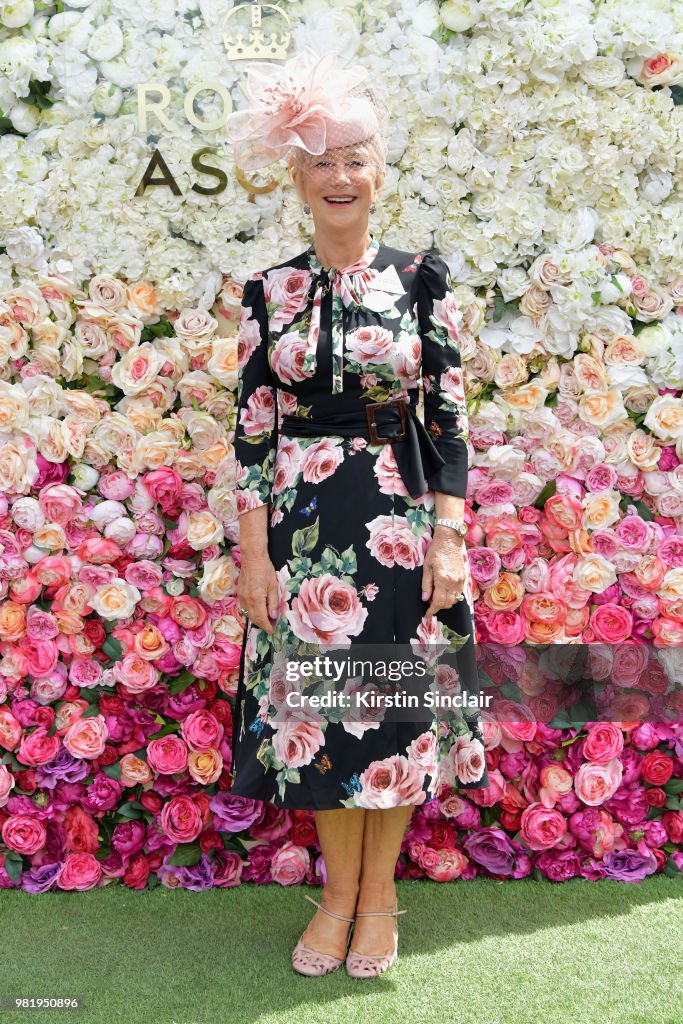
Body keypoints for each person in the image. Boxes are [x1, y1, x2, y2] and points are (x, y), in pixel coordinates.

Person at [226, 48, 490, 979]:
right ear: (295, 178)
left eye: (355, 160)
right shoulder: (269, 288)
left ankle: (379, 901)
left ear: (377, 173)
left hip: (402, 522)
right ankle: (336, 897)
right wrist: (253, 558)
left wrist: (451, 542)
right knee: (322, 715)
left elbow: (451, 425)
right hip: (302, 534)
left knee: (390, 713)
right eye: (320, 162)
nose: (339, 178)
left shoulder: (421, 281)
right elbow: (253, 431)